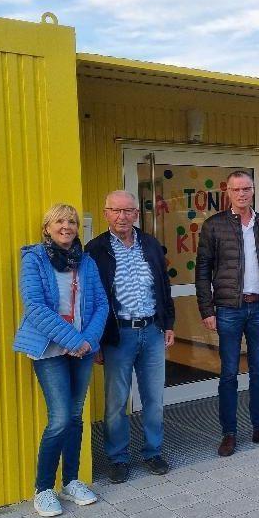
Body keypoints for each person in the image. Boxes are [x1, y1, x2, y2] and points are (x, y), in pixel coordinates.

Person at [14, 204, 109, 517]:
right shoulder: (34, 259)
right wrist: (74, 341)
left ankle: (71, 481)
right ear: (47, 228)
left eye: (72, 221)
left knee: (76, 415)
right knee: (59, 418)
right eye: (59, 221)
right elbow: (36, 308)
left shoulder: (87, 262)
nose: (66, 226)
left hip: (82, 348)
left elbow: (101, 306)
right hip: (50, 350)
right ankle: (43, 489)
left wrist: (88, 342)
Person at [195, 170, 259, 457]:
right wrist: (207, 309)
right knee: (229, 374)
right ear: (228, 193)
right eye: (236, 190)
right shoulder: (214, 226)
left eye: (246, 189)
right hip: (228, 310)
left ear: (252, 191)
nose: (242, 194)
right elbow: (202, 271)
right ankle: (229, 433)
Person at [85, 190, 175, 483]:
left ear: (137, 213)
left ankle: (153, 451)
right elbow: (90, 299)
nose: (122, 217)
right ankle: (118, 457)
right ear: (106, 213)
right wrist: (96, 339)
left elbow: (163, 286)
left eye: (128, 211)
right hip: (118, 335)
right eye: (116, 211)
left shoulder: (149, 244)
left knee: (154, 398)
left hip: (151, 331)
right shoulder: (95, 249)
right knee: (116, 401)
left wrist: (169, 323)